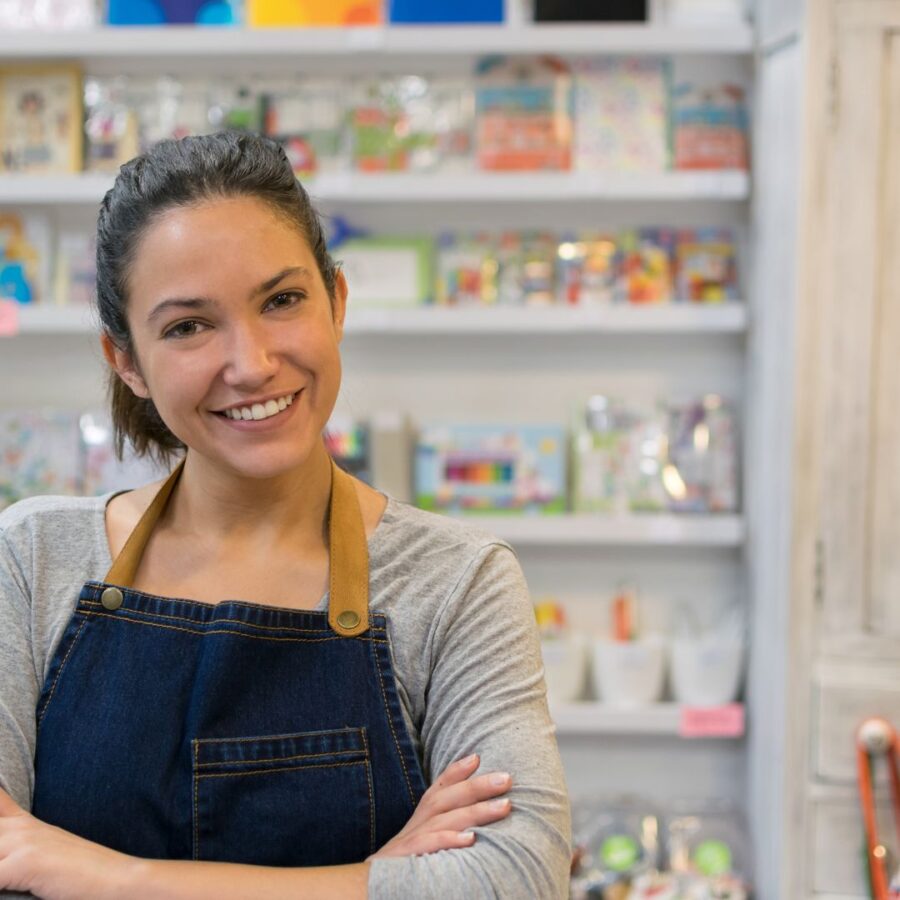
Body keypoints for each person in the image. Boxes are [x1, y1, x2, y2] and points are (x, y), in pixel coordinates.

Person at [0, 132, 571, 899]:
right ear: (126, 360)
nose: (252, 363)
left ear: (336, 301)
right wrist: (380, 879)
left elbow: (517, 879)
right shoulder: (32, 560)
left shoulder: (458, 582)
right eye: (187, 327)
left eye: (281, 300)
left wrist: (105, 876)